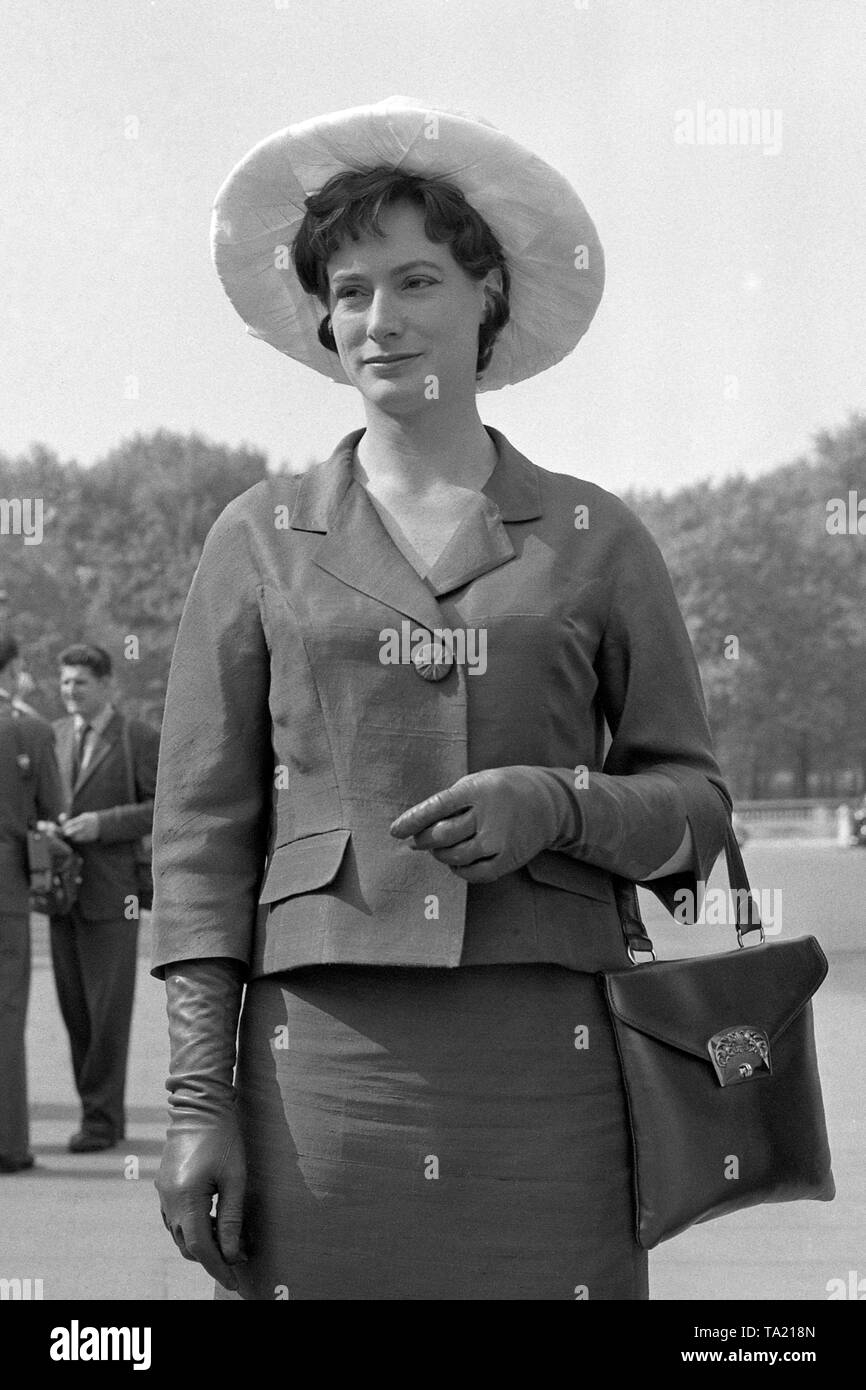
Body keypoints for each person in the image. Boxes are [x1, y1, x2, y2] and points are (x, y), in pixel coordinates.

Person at [152, 97, 732, 1300]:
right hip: (318, 1084)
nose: (379, 319)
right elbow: (201, 843)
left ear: (487, 299)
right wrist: (196, 1103)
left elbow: (696, 807)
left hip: (552, 1083)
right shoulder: (255, 536)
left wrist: (559, 803)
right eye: (351, 289)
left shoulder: (595, 536)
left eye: (416, 281)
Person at [49, 643, 159, 1152]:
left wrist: (103, 825)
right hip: (60, 896)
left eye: (81, 683)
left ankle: (101, 1121)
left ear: (107, 684)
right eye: (65, 682)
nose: (70, 692)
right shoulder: (53, 737)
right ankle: (95, 1115)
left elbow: (163, 807)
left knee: (107, 1012)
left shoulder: (136, 738)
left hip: (115, 897)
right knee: (75, 1010)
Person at [0, 635, 65, 1173]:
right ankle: (8, 1144)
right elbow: (52, 810)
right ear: (15, 667)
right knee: (6, 1014)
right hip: (6, 889)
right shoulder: (31, 729)